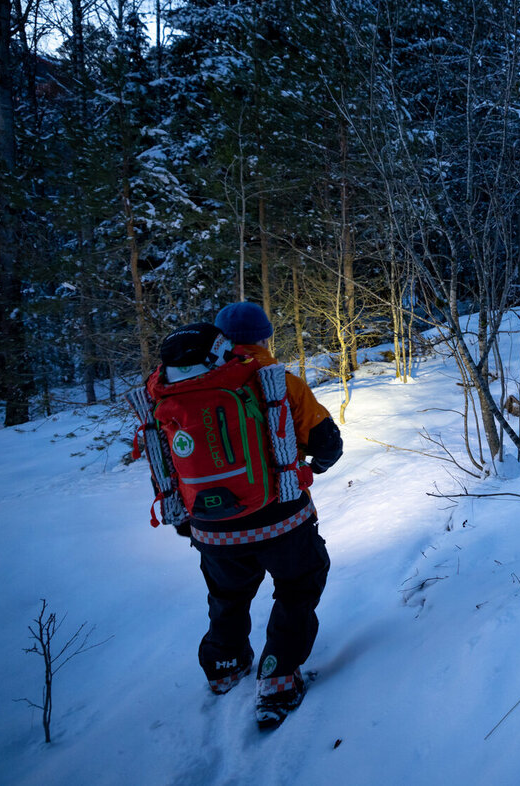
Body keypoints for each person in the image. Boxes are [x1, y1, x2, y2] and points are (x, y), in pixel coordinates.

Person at [156, 303, 342, 729]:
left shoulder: (174, 389)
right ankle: (278, 677)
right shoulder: (279, 383)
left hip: (212, 529)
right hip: (282, 521)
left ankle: (224, 666)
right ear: (263, 339)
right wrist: (313, 468)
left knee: (228, 594)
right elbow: (328, 443)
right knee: (298, 585)